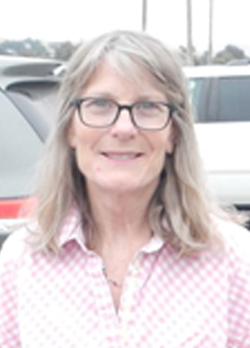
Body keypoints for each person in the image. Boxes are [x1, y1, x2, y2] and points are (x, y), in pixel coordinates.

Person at [0, 30, 250, 348]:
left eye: (147, 106)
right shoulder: (22, 259)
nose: (123, 128)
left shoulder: (233, 258)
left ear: (174, 133)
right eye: (100, 104)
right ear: (69, 130)